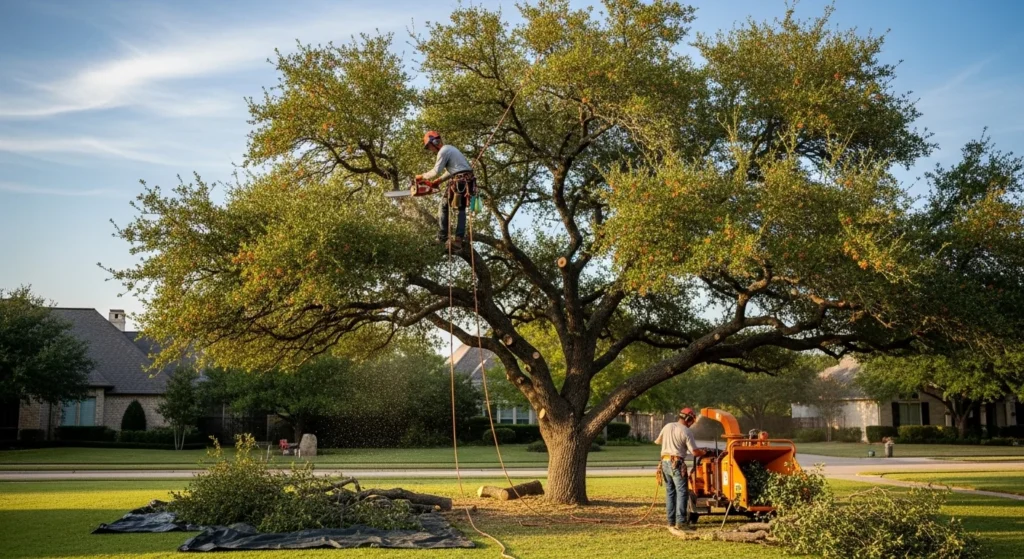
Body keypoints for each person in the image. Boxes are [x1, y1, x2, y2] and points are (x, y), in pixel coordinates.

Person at [415, 131, 477, 250]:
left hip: (460, 180)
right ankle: (458, 239)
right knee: (461, 208)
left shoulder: (443, 151)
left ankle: (443, 236)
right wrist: (437, 182)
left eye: (429, 147)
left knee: (444, 205)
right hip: (466, 180)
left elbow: (435, 170)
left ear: (434, 142)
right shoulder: (450, 149)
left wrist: (421, 176)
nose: (431, 150)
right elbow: (451, 170)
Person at [654, 407, 706, 532]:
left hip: (665, 463)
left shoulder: (667, 426)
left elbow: (657, 441)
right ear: (688, 419)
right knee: (682, 493)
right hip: (677, 463)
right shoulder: (686, 431)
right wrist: (703, 451)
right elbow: (694, 452)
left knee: (670, 493)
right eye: (691, 421)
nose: (691, 423)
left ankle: (671, 521)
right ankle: (681, 523)